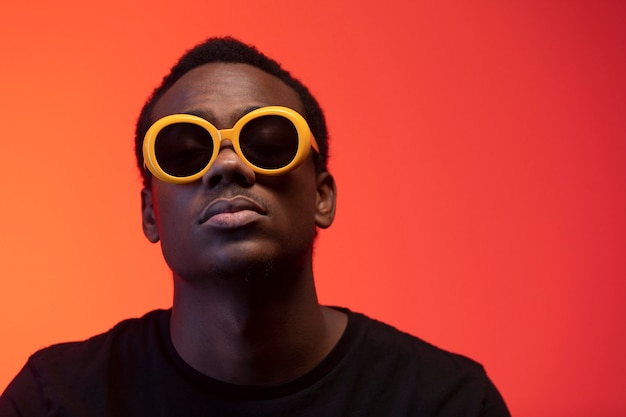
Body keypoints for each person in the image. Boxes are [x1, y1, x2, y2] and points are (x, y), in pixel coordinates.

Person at [0, 37, 510, 416]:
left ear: (322, 197)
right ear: (151, 214)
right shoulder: (53, 402)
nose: (226, 166)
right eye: (185, 151)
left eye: (268, 142)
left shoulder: (447, 403)